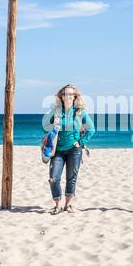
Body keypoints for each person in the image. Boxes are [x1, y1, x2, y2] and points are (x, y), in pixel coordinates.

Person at [42, 84, 95, 214]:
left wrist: (81, 142)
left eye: (71, 94)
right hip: (57, 149)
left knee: (71, 178)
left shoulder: (80, 112)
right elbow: (44, 126)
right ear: (62, 96)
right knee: (54, 178)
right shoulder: (56, 111)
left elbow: (91, 129)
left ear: (75, 96)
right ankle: (57, 205)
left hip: (74, 150)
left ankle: (68, 205)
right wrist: (52, 125)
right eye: (66, 94)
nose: (68, 97)